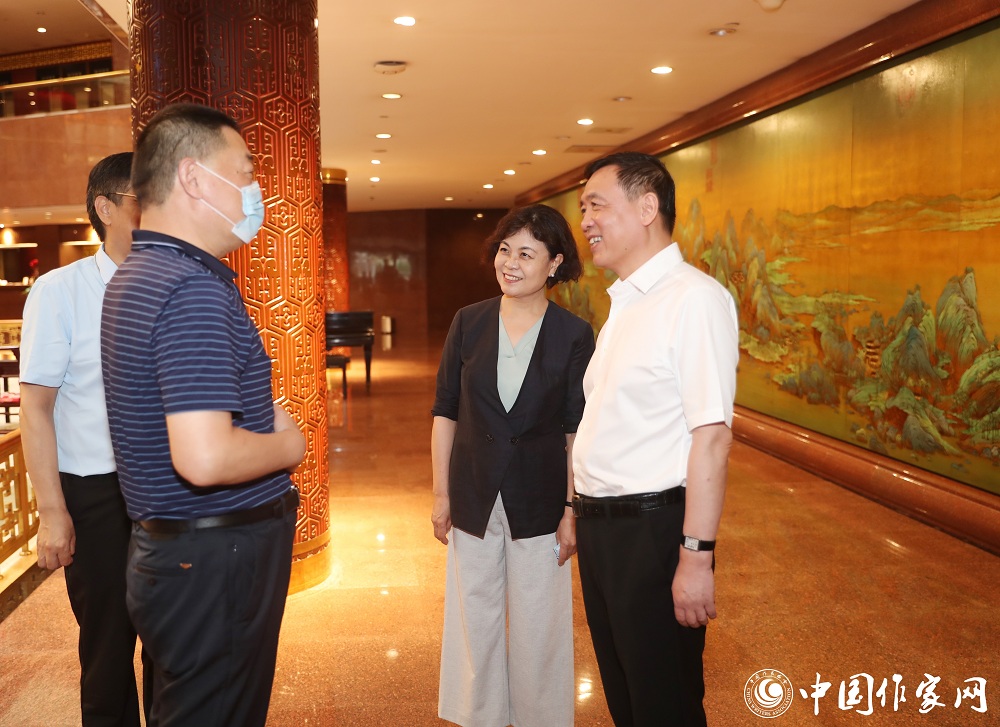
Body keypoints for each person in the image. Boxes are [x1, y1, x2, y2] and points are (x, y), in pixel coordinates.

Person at [100, 103, 305, 727]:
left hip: (179, 554)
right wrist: (289, 444)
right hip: (215, 558)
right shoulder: (189, 287)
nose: (254, 189)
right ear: (192, 177)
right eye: (244, 171)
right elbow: (205, 457)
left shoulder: (140, 272)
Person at [572, 152, 739, 727]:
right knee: (628, 698)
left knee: (663, 703)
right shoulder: (625, 303)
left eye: (596, 206)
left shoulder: (693, 299)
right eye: (583, 209)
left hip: (652, 532)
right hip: (603, 531)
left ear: (647, 208)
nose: (586, 221)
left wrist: (695, 557)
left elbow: (711, 438)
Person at [431, 204, 595, 727]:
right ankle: (477, 717)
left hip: (540, 498)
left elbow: (575, 429)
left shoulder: (574, 334)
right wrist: (441, 494)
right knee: (474, 617)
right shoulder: (468, 321)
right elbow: (445, 411)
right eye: (505, 250)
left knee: (538, 622)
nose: (510, 263)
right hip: (474, 491)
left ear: (555, 263)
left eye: (526, 253)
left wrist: (571, 509)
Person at [20, 152, 146, 727]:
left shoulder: (176, 283)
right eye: (146, 198)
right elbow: (36, 407)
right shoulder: (59, 292)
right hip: (97, 494)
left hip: (169, 489)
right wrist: (52, 513)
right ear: (106, 208)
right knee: (107, 651)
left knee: (176, 646)